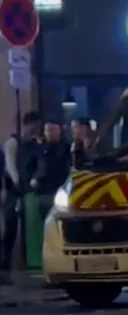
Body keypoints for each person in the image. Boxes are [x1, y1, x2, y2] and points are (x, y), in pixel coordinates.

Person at [25, 120, 71, 270]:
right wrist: (34, 179)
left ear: (60, 131)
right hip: (43, 193)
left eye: (52, 130)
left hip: (61, 194)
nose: (49, 133)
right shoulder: (41, 150)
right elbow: (30, 167)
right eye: (47, 130)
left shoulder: (66, 149)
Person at [2, 111, 43, 272]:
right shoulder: (12, 143)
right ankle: (5, 264)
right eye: (35, 126)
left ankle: (27, 261)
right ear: (27, 125)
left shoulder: (36, 144)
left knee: (29, 227)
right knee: (10, 227)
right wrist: (18, 183)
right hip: (13, 190)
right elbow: (10, 166)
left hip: (29, 190)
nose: (37, 129)